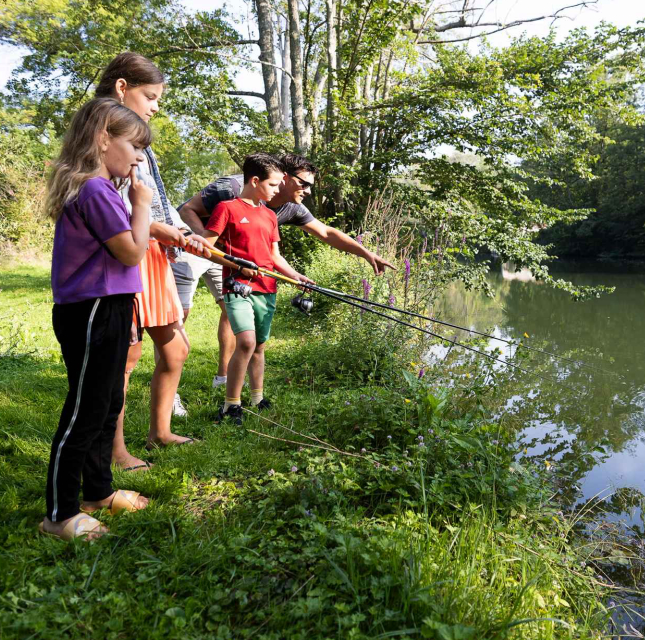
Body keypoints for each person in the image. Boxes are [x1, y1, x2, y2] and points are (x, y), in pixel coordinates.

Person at [174, 153, 395, 389]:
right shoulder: (233, 188)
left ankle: (223, 378)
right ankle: (171, 385)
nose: (308, 190)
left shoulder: (290, 208)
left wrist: (366, 253)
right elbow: (187, 209)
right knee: (179, 315)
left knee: (233, 310)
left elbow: (326, 232)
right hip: (193, 244)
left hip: (235, 258)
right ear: (284, 178)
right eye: (304, 183)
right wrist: (211, 245)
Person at [40, 98, 152, 542]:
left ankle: (97, 492)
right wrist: (142, 204)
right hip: (90, 311)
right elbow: (130, 250)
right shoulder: (93, 189)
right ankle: (59, 513)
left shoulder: (103, 189)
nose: (140, 157)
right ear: (104, 138)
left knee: (108, 404)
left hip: (111, 305)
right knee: (84, 411)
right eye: (135, 146)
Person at [95, 53, 209, 473]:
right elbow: (109, 205)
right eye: (151, 95)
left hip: (156, 257)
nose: (156, 105)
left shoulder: (137, 136)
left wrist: (184, 232)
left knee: (176, 348)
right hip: (128, 257)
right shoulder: (103, 134)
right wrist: (161, 230)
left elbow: (155, 197)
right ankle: (116, 450)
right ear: (122, 87)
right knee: (125, 358)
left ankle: (159, 431)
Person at [201, 153, 313, 424]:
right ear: (254, 180)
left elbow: (275, 257)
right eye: (274, 185)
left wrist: (297, 276)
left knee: (259, 346)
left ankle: (256, 398)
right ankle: (231, 405)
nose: (277, 190)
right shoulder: (226, 208)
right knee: (247, 342)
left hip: (267, 287)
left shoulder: (269, 216)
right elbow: (206, 247)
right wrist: (236, 265)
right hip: (237, 286)